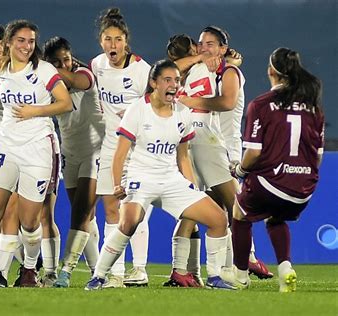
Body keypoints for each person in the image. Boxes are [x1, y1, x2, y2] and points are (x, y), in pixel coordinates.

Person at [85, 60, 233, 290]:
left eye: (176, 80)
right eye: (167, 80)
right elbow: (120, 153)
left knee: (218, 220)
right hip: (140, 178)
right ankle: (99, 276)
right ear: (154, 83)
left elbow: (183, 157)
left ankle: (214, 276)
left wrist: (192, 189)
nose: (174, 85)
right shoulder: (138, 109)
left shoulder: (183, 113)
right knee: (129, 223)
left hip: (171, 180)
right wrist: (117, 184)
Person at [0, 19, 72, 288]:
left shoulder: (44, 70)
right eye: (21, 40)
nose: (27, 46)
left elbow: (65, 103)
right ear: (9, 42)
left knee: (30, 220)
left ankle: (28, 270)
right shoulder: (1, 69)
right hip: (5, 146)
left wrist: (33, 110)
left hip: (37, 148)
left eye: (31, 41)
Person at [222, 47, 324, 292]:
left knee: (239, 213)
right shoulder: (314, 108)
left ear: (271, 71)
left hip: (270, 183)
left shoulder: (261, 104)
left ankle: (240, 275)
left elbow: (254, 153)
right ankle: (285, 268)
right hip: (303, 189)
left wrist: (240, 170)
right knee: (275, 216)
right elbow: (317, 157)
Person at [178, 26, 272, 280]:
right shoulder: (218, 70)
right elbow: (227, 102)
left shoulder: (223, 72)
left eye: (210, 43)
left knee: (205, 209)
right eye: (201, 44)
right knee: (238, 208)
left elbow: (226, 101)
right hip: (214, 147)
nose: (204, 48)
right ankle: (240, 263)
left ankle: (185, 270)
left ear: (222, 48)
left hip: (214, 145)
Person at [90, 7, 152, 288]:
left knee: (134, 209)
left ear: (126, 41)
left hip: (138, 149)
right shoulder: (96, 65)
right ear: (100, 41)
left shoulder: (142, 69)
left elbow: (154, 107)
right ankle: (115, 272)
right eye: (107, 39)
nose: (112, 45)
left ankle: (139, 269)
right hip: (109, 146)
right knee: (111, 208)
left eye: (117, 39)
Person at [42, 36, 105, 288]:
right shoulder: (50, 87)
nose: (63, 65)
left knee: (80, 212)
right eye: (56, 61)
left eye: (65, 59)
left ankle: (65, 271)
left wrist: (43, 68)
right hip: (70, 154)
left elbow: (75, 80)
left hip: (95, 151)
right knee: (86, 218)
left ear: (72, 58)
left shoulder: (84, 75)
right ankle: (97, 272)